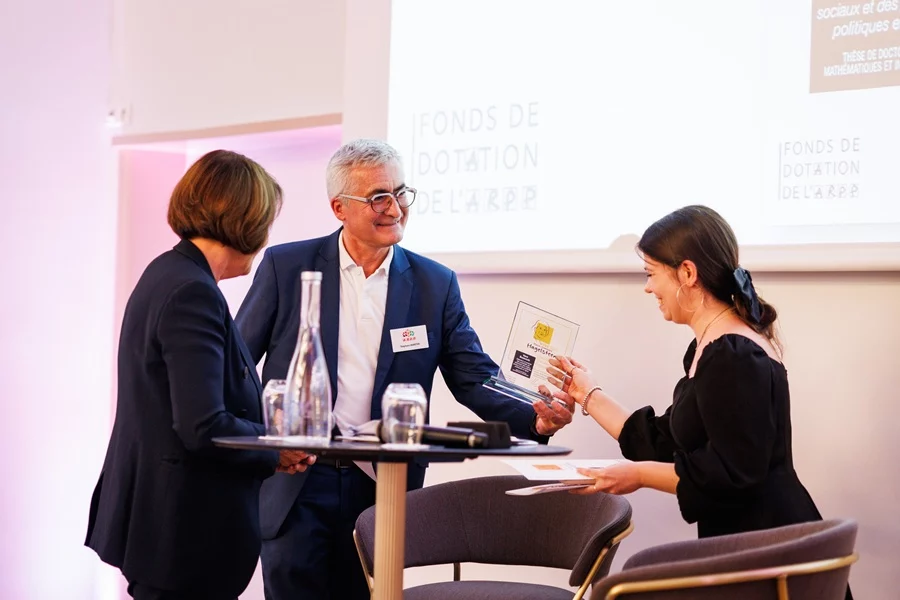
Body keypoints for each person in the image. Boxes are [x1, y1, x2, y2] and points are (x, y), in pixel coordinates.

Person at [235, 138, 574, 600]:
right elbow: (236, 364)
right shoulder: (286, 266)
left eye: (400, 193)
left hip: (383, 484)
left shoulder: (434, 283)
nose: (394, 207)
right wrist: (261, 443)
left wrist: (534, 412)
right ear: (340, 207)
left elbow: (474, 375)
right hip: (298, 479)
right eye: (378, 197)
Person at [537, 204, 851, 599]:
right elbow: (664, 441)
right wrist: (587, 393)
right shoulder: (712, 348)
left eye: (651, 274)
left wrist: (637, 476)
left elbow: (731, 474)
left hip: (766, 555)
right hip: (749, 546)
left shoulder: (733, 354)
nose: (648, 288)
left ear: (687, 273)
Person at [85, 150, 314, 600]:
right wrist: (275, 450)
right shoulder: (193, 292)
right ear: (246, 222)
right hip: (183, 532)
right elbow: (203, 426)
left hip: (163, 524)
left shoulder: (168, 272)